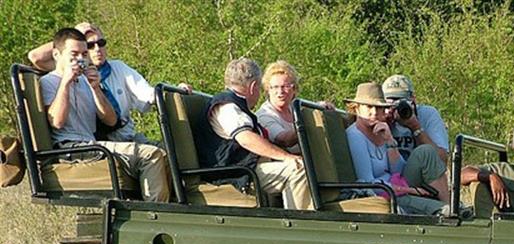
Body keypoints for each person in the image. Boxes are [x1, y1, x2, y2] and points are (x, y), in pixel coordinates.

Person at [39, 28, 170, 202]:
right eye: (74, 54)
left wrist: (96, 88)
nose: (80, 59)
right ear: (56, 54)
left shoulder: (86, 81)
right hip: (71, 147)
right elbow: (57, 122)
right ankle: (155, 214)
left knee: (166, 151)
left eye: (84, 54)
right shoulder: (48, 82)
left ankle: (168, 205)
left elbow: (110, 120)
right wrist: (65, 83)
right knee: (150, 154)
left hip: (92, 143)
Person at [28, 23, 189, 144]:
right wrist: (74, 33)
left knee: (166, 151)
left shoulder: (116, 68)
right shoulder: (66, 74)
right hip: (98, 141)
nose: (97, 49)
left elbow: (147, 93)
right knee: (150, 157)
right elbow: (36, 57)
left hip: (123, 134)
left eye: (101, 43)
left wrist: (174, 91)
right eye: (90, 46)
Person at [195, 57, 312, 210]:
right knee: (298, 168)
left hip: (248, 167)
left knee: (303, 163)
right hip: (235, 172)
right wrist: (286, 157)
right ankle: (298, 226)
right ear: (253, 86)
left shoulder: (237, 106)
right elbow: (245, 139)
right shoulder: (227, 107)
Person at [344, 82, 447, 215]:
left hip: (396, 186)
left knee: (426, 151)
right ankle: (448, 212)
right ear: (357, 109)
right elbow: (368, 183)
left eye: (378, 108)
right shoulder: (355, 136)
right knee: (438, 208)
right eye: (369, 107)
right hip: (383, 196)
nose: (374, 112)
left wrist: (390, 141)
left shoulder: (381, 129)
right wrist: (411, 191)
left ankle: (451, 206)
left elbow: (397, 171)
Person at [256, 60, 333, 155]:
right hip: (289, 162)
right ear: (268, 90)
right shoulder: (264, 115)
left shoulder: (296, 105)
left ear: (294, 89)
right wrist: (311, 123)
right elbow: (284, 140)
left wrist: (324, 109)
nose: (280, 91)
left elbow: (315, 108)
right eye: (275, 87)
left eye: (286, 86)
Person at [381, 73, 449, 164]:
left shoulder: (427, 114)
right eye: (389, 102)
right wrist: (385, 124)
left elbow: (441, 160)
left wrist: (415, 127)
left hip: (419, 173)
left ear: (413, 99)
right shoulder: (378, 115)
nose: (394, 107)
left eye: (400, 101)